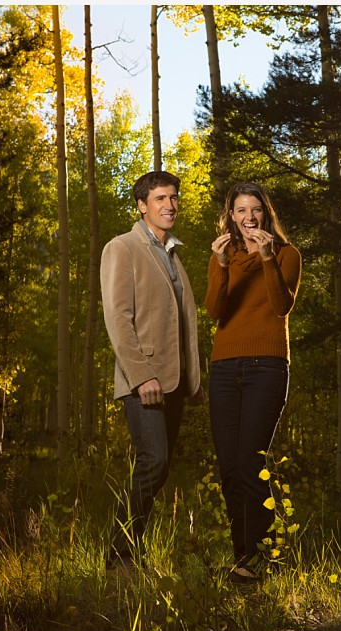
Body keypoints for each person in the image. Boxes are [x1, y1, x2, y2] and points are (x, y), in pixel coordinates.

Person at [100, 170, 201, 572]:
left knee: (160, 468)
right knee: (153, 462)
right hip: (144, 381)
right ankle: (119, 555)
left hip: (173, 382)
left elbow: (182, 323)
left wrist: (193, 378)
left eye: (174, 198)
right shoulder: (122, 248)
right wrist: (142, 375)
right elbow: (118, 319)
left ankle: (128, 550)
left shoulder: (173, 255)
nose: (169, 205)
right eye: (160, 199)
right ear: (142, 205)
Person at [205, 182, 302, 582]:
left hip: (267, 367)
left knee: (250, 463)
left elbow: (281, 306)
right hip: (224, 369)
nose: (248, 218)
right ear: (231, 217)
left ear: (266, 214)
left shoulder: (287, 255)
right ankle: (243, 558)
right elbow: (214, 311)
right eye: (241, 210)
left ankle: (262, 558)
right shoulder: (222, 257)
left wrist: (266, 259)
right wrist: (222, 265)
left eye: (255, 210)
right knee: (230, 467)